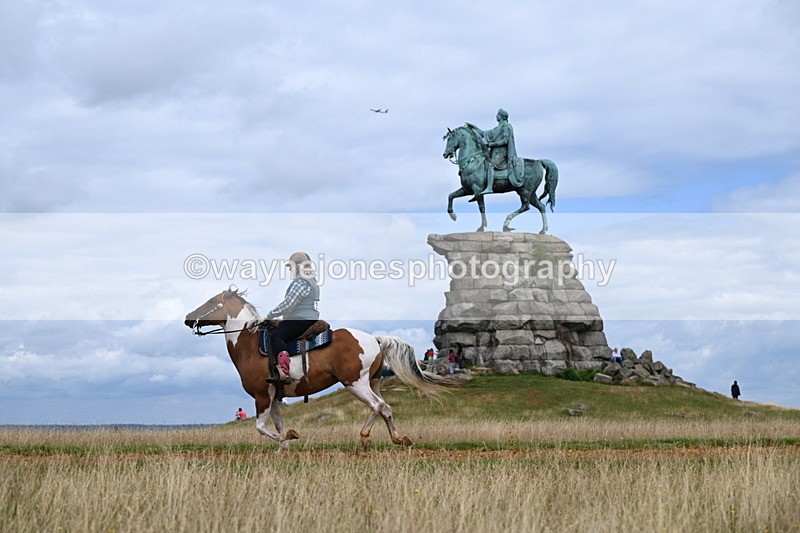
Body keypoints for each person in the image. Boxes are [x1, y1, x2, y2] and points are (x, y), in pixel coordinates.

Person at [265, 252, 320, 382]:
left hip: (301, 318)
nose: (290, 269)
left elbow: (288, 304)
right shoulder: (311, 279)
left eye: (291, 266)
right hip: (307, 317)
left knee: (276, 336)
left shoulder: (301, 281)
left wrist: (270, 315)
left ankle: (284, 371)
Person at [465, 108, 520, 195]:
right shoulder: (497, 128)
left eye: (497, 115)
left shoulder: (506, 126)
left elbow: (505, 141)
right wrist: (474, 128)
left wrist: (491, 144)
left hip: (502, 154)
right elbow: (484, 134)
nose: (496, 116)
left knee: (490, 165)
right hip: (495, 153)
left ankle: (489, 187)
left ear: (502, 116)